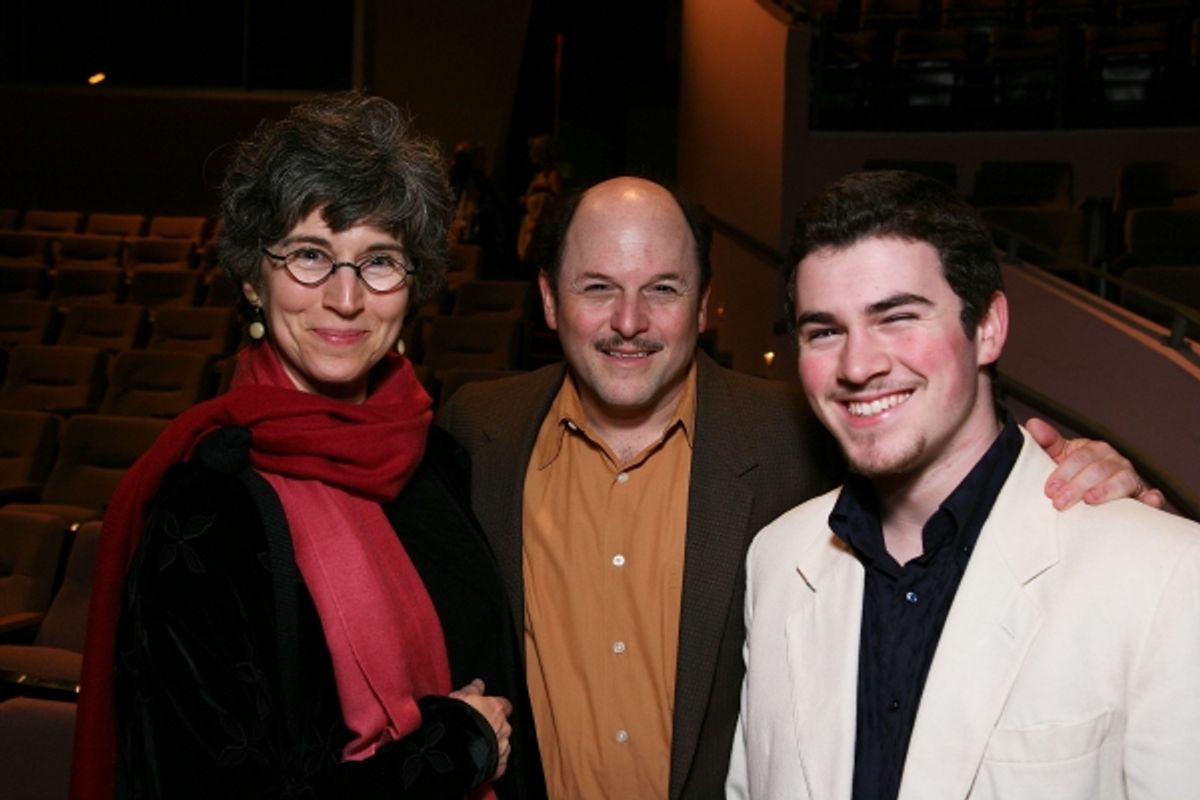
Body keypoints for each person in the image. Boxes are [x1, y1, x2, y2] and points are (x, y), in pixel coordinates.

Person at [438, 176, 1155, 800]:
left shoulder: (801, 433)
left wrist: (1083, 474)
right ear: (549, 300)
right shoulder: (480, 430)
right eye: (598, 288)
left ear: (704, 303)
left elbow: (947, 464)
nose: (630, 321)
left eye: (663, 289)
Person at [71, 93, 543, 800]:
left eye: (379, 260)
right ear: (252, 281)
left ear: (411, 285)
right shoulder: (205, 510)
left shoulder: (439, 461)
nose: (346, 299)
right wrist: (453, 750)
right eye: (310, 256)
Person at [727, 170, 1200, 799]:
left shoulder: (1165, 572)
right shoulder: (778, 559)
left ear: (987, 328)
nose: (858, 365)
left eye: (897, 317)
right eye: (825, 331)